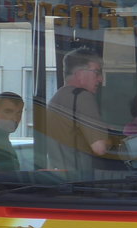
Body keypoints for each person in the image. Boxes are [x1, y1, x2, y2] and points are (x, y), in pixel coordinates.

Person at [45, 47, 121, 175]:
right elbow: (100, 148)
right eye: (96, 72)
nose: (100, 79)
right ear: (80, 74)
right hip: (78, 182)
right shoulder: (82, 97)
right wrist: (114, 139)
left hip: (59, 181)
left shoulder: (57, 98)